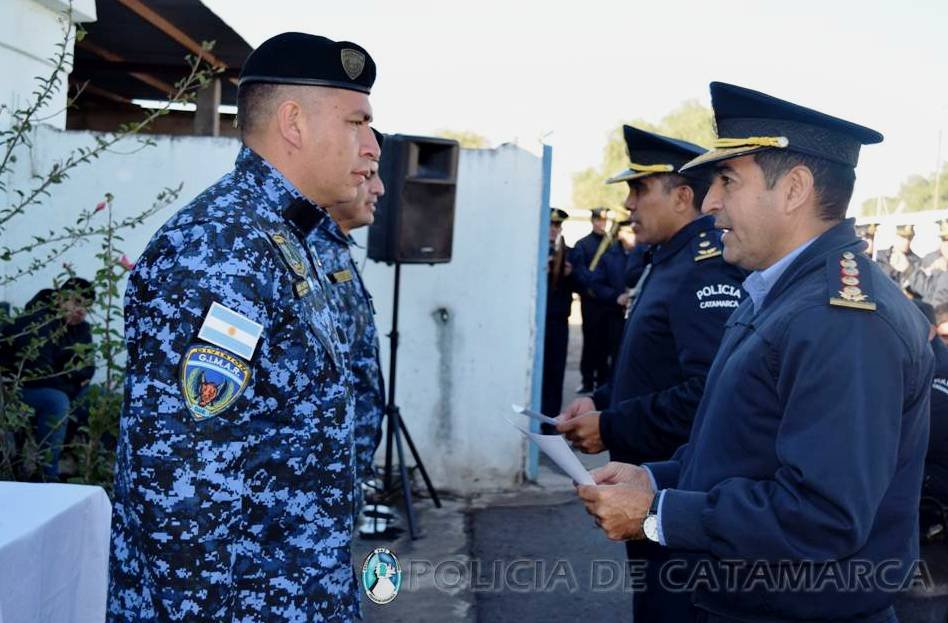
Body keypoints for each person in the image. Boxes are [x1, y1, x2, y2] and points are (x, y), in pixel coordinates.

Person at [577, 82, 933, 623]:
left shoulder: (841, 321)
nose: (710, 201)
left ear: (793, 189)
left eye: (726, 180)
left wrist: (659, 511)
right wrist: (655, 479)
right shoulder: (783, 293)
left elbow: (822, 517)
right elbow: (742, 450)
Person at [108, 32, 380, 622]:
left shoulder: (283, 237)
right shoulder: (220, 245)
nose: (373, 146)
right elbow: (183, 481)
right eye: (357, 122)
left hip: (293, 594)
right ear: (293, 122)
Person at [559, 125, 746, 621]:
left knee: (672, 608)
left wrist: (614, 425)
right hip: (646, 487)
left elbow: (708, 392)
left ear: (683, 196)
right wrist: (601, 400)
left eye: (639, 189)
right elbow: (653, 366)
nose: (629, 205)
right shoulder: (667, 261)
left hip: (676, 491)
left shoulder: (705, 268)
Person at [307, 129, 386, 515]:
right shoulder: (311, 252)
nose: (380, 188)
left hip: (343, 474)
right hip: (320, 481)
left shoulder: (335, 248)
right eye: (369, 175)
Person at [3, 278, 95, 480]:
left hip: (59, 387)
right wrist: (73, 382)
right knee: (57, 401)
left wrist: (74, 379)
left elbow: (88, 369)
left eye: (87, 307)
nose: (82, 310)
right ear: (60, 299)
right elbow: (39, 372)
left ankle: (95, 471)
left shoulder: (81, 329)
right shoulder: (38, 320)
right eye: (77, 302)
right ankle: (47, 475)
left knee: (99, 397)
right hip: (21, 389)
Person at [569, 207, 612, 393]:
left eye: (603, 221)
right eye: (597, 220)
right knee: (590, 342)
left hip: (607, 302)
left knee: (606, 342)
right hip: (590, 302)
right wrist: (592, 287)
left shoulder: (612, 244)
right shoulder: (582, 244)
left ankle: (602, 381)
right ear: (592, 221)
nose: (600, 224)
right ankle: (587, 380)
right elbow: (579, 272)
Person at [542, 208, 575, 420]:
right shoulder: (532, 251)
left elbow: (586, 283)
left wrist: (571, 274)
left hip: (558, 322)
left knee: (555, 373)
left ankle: (550, 420)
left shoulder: (569, 253)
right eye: (551, 225)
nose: (554, 229)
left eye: (557, 225)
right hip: (538, 323)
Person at [876, 223, 921, 288]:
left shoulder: (917, 261)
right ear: (895, 237)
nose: (906, 241)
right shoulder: (879, 257)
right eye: (903, 237)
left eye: (909, 238)